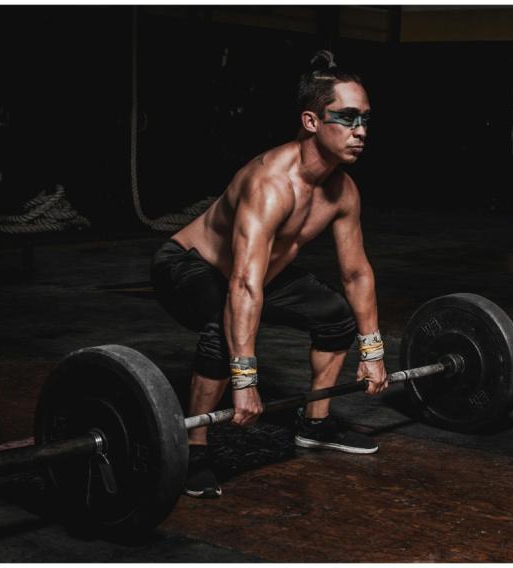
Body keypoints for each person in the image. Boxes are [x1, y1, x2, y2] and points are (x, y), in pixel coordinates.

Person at [151, 51, 388, 498]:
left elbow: (356, 274)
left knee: (335, 316)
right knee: (223, 334)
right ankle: (194, 448)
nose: (361, 131)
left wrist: (372, 348)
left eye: (366, 119)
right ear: (312, 121)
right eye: (349, 117)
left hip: (259, 272)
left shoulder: (343, 191)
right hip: (187, 265)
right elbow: (241, 284)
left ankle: (314, 423)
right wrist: (245, 380)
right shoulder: (271, 185)